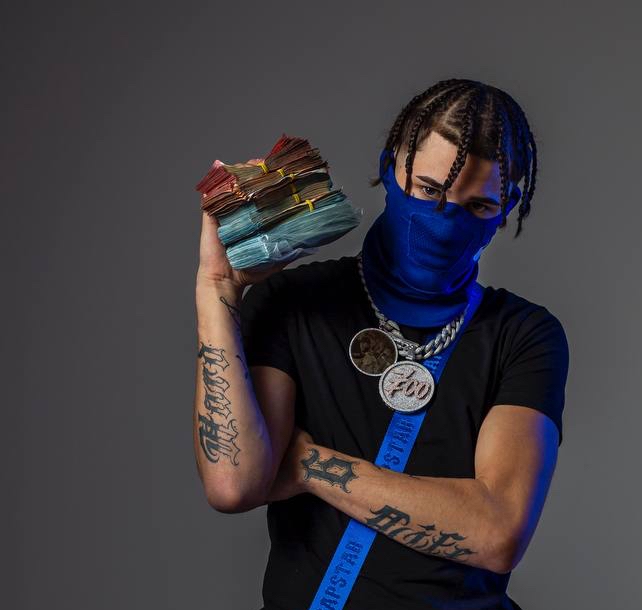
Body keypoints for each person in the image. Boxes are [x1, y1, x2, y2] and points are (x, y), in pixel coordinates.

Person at [193, 78, 571, 610]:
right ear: (391, 167)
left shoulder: (523, 336)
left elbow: (497, 534)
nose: (445, 224)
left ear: (507, 206)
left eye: (479, 207)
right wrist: (216, 290)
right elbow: (233, 484)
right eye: (429, 190)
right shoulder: (296, 303)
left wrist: (307, 464)